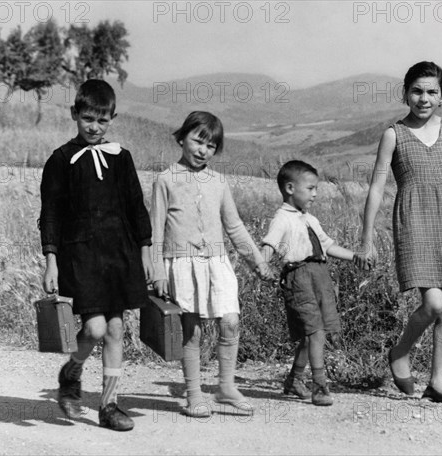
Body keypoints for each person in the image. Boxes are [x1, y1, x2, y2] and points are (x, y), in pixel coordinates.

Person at [354, 61, 442, 405]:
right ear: (405, 93)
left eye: (432, 91)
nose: (424, 98)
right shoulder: (393, 135)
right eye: (417, 90)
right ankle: (400, 352)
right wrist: (366, 238)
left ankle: (438, 383)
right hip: (413, 221)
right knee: (431, 302)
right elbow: (376, 188)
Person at [39, 79, 152, 431]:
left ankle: (109, 405)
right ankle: (72, 371)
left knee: (116, 328)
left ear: (112, 119)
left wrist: (146, 252)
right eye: (88, 118)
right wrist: (51, 260)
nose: (94, 127)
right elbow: (51, 215)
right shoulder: (61, 160)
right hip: (82, 256)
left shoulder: (121, 158)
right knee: (96, 326)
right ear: (75, 114)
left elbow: (137, 207)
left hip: (119, 255)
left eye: (102, 121)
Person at [151, 111, 272, 418]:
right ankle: (193, 396)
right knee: (191, 333)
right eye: (198, 141)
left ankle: (226, 387)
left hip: (217, 264)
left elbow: (235, 227)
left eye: (211, 146)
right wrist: (155, 272)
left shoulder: (219, 182)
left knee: (230, 321)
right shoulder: (164, 180)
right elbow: (154, 232)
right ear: (182, 138)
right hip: (181, 264)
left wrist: (257, 261)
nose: (203, 150)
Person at [260, 160, 356, 406]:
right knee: (315, 332)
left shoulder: (310, 219)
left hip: (319, 277)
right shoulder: (282, 218)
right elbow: (269, 244)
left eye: (316, 189)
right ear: (290, 188)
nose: (315, 194)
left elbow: (328, 246)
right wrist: (263, 266)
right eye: (310, 188)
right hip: (299, 278)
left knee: (310, 333)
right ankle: (320, 386)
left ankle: (294, 379)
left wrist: (357, 256)